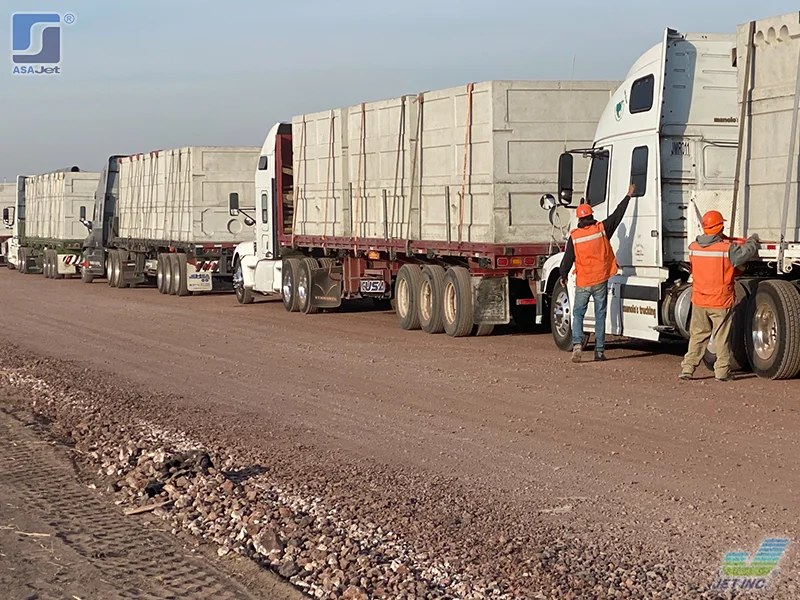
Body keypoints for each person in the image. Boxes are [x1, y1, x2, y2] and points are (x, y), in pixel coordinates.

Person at [559, 183, 636, 363]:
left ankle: (577, 345)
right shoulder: (602, 229)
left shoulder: (575, 236)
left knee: (578, 313)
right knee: (600, 315)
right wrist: (628, 196)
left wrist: (563, 275)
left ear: (579, 219)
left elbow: (567, 260)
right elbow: (617, 215)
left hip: (584, 282)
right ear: (592, 216)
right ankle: (599, 351)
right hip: (600, 279)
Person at [679, 210, 759, 382]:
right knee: (721, 338)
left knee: (697, 336)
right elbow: (745, 254)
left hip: (699, 299)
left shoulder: (693, 248)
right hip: (720, 301)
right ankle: (722, 373)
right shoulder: (726, 249)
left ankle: (687, 369)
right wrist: (752, 240)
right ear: (721, 227)